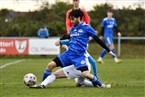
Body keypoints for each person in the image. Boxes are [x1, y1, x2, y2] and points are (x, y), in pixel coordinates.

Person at [30, 9, 115, 89]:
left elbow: (97, 39)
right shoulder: (73, 29)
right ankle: (42, 84)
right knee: (50, 65)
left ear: (78, 17)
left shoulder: (87, 27)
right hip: (68, 54)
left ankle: (102, 85)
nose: (71, 21)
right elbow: (68, 36)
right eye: (70, 19)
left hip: (79, 57)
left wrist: (108, 50)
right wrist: (60, 40)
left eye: (73, 19)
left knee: (86, 74)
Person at [66, 0, 98, 78]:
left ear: (79, 1)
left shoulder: (83, 11)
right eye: (74, 0)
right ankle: (90, 77)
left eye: (77, 0)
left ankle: (89, 77)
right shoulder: (69, 12)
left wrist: (89, 35)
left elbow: (87, 23)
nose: (75, 2)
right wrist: (70, 35)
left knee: (85, 58)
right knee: (88, 60)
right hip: (73, 39)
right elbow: (68, 24)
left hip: (82, 39)